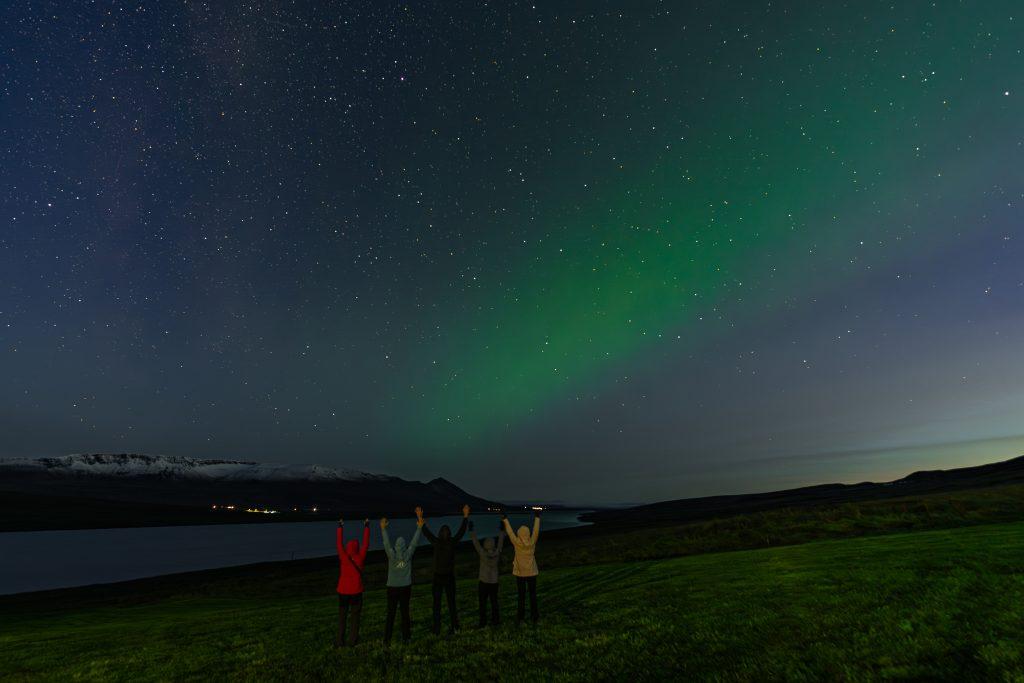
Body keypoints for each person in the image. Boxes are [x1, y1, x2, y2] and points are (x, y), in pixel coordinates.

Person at [417, 504, 469, 634]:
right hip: (449, 577)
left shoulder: (436, 542)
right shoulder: (452, 542)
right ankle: (455, 627)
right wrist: (465, 516)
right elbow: (461, 532)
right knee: (451, 604)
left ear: (440, 533)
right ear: (449, 533)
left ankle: (437, 628)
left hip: (438, 577)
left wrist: (420, 518)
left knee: (437, 604)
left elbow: (427, 533)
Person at [380, 515, 423, 645]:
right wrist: (419, 528)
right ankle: (407, 638)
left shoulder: (391, 554)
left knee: (391, 614)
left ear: (396, 545)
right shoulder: (408, 554)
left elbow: (386, 543)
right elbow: (414, 542)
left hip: (392, 587)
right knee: (405, 613)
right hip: (405, 587)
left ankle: (387, 639)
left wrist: (383, 529)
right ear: (404, 546)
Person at [335, 517, 371, 647]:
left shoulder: (343, 557)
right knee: (355, 617)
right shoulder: (360, 557)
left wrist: (340, 527)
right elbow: (366, 543)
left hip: (343, 592)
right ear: (356, 547)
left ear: (348, 547)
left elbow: (339, 544)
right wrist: (366, 526)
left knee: (342, 617)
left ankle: (339, 641)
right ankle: (352, 641)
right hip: (356, 592)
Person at [502, 509, 541, 624]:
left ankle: (521, 616)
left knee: (521, 596)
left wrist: (505, 519)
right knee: (532, 595)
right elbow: (536, 531)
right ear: (528, 534)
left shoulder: (516, 543)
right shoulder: (532, 542)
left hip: (520, 574)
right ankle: (534, 616)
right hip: (532, 573)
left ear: (519, 534)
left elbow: (510, 532)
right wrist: (537, 518)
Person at [470, 519, 504, 627]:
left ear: (485, 544)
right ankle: (495, 620)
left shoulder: (482, 553)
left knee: (482, 604)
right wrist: (502, 530)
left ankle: (482, 622)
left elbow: (475, 542)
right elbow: (501, 541)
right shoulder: (497, 552)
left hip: (483, 581)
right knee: (494, 602)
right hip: (494, 581)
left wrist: (471, 530)